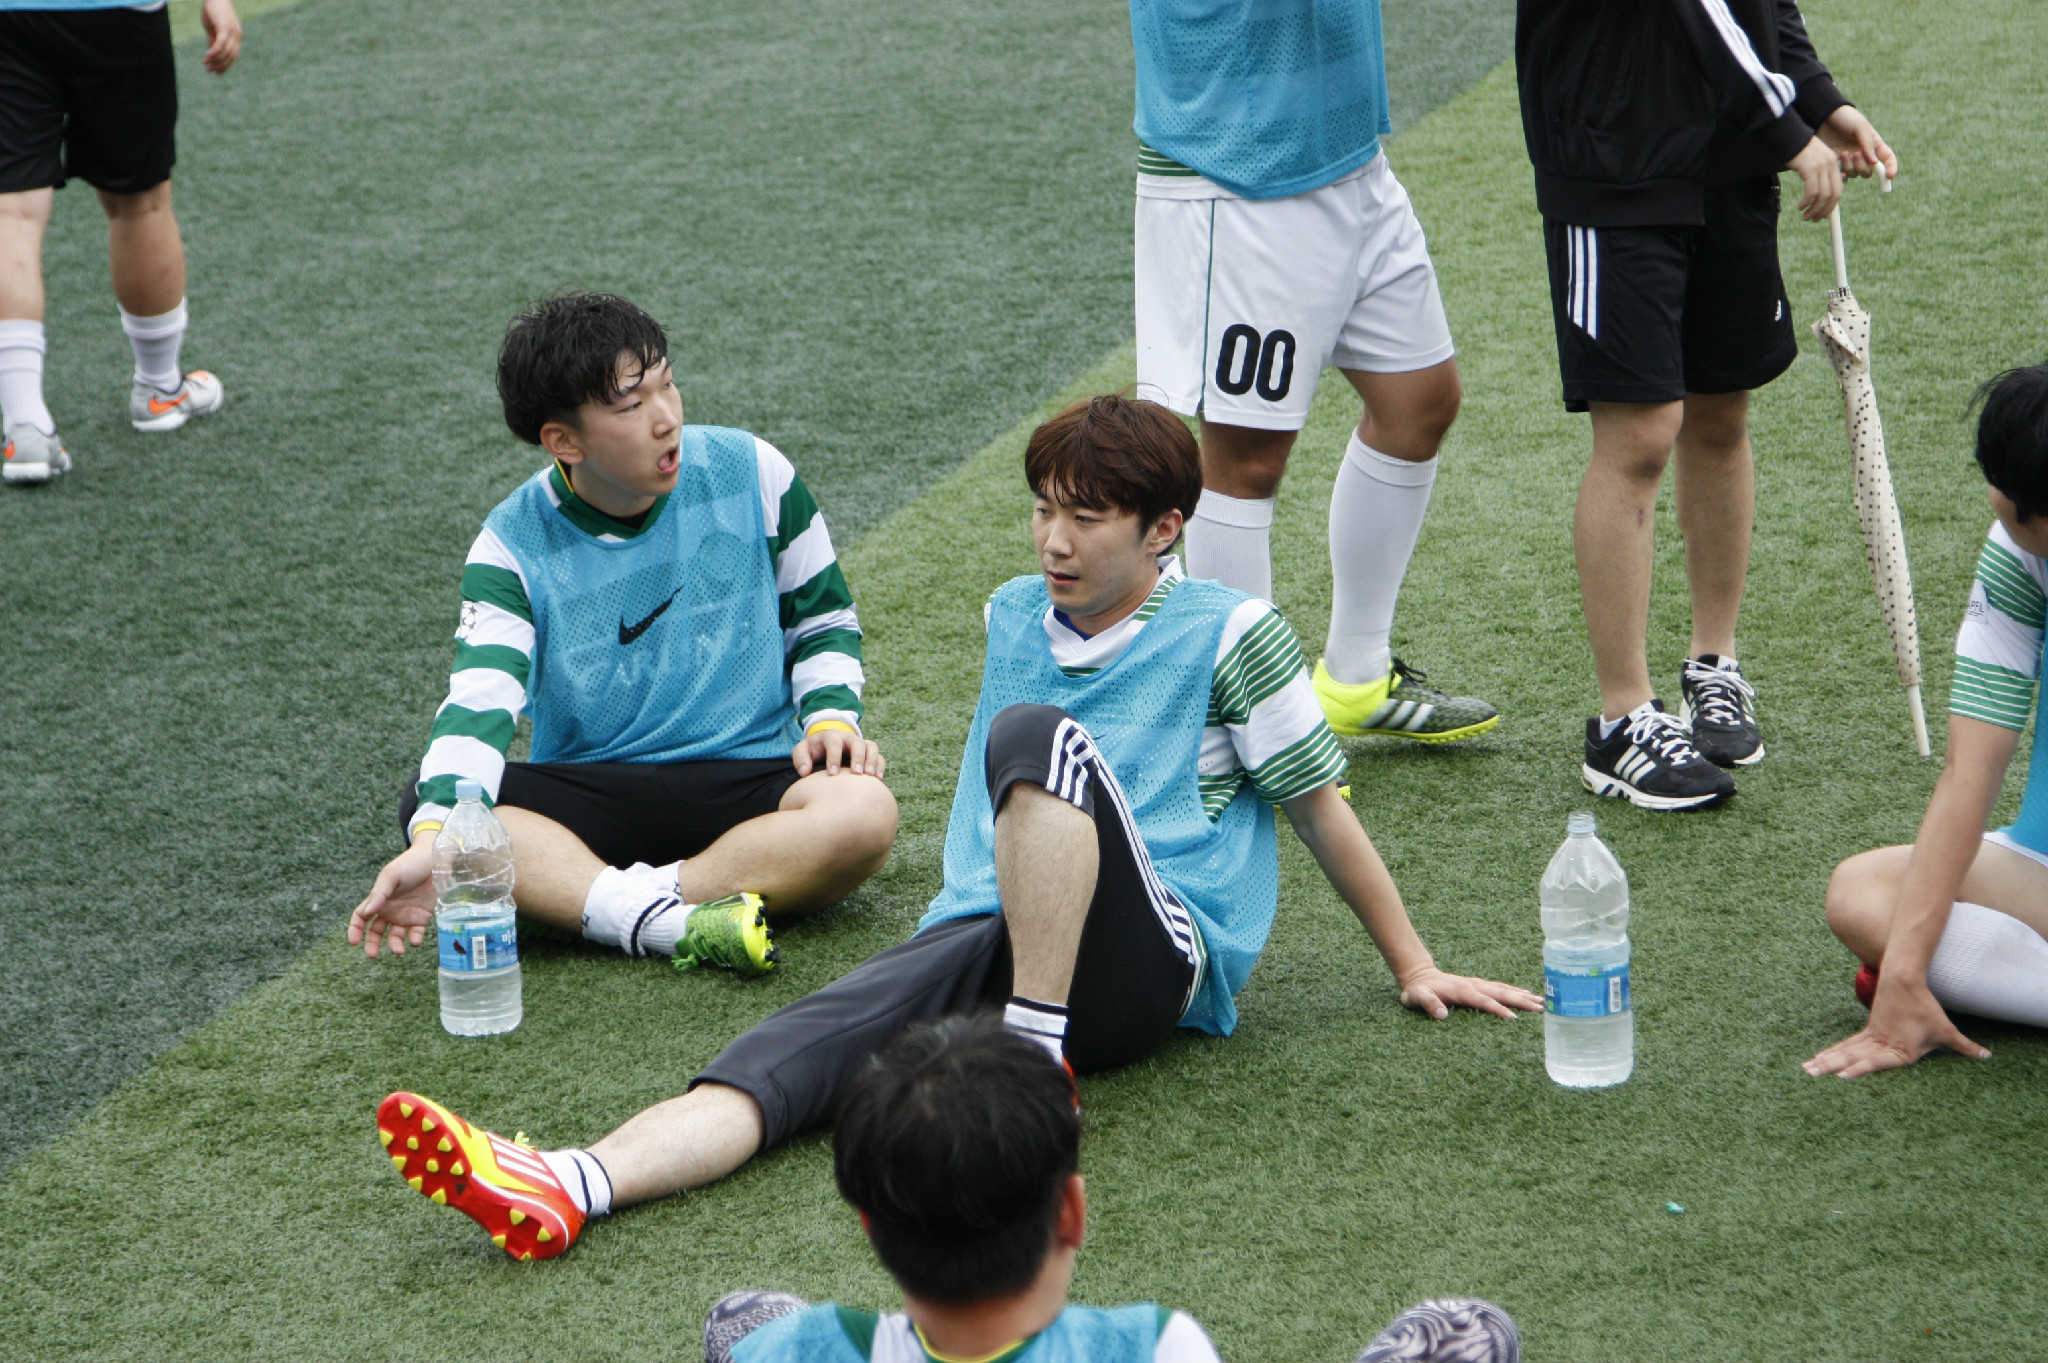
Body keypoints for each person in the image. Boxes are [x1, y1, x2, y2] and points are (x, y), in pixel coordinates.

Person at [371, 394, 1539, 1262]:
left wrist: (1413, 963)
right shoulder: (1011, 614)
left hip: (1155, 956)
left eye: (1086, 518)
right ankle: (575, 1179)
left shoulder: (1235, 635)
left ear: (1164, 529)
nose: (1052, 541)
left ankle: (1032, 1057)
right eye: (1042, 510)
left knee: (1036, 736)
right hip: (992, 929)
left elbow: (1317, 806)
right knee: (796, 1052)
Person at [348, 293, 897, 977]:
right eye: (632, 406)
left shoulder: (754, 470)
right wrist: (434, 835)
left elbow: (823, 620)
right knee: (431, 809)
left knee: (863, 811)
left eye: (667, 384)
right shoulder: (509, 546)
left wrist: (831, 719)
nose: (667, 418)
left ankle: (619, 908)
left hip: (747, 780)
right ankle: (677, 919)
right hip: (593, 793)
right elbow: (478, 702)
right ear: (564, 441)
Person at [1516, 0, 1899, 809]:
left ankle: (1713, 666)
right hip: (1614, 154)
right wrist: (1784, 122)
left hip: (1727, 159)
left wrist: (1817, 95)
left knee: (1721, 413)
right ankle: (1622, 719)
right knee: (1641, 433)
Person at [1129, 0, 1501, 744]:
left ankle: (1355, 677)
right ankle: (1255, 733)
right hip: (1237, 164)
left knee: (1419, 402)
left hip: (1346, 151)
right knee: (1246, 459)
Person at [707, 1014, 1226, 1363]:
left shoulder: (796, 1347)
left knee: (738, 1321)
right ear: (1071, 1210)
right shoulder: (1159, 1347)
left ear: (869, 1224)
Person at [1806, 365, 2048, 1079]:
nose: (1993, 497)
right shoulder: (2021, 551)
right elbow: (1971, 769)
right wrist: (1905, 975)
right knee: (1861, 894)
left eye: (2007, 490)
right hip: (2037, 869)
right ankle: (1938, 987)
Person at [0, 0, 241, 487]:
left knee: (11, 213)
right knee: (140, 202)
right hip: (117, 13)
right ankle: (160, 389)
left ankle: (24, 426)